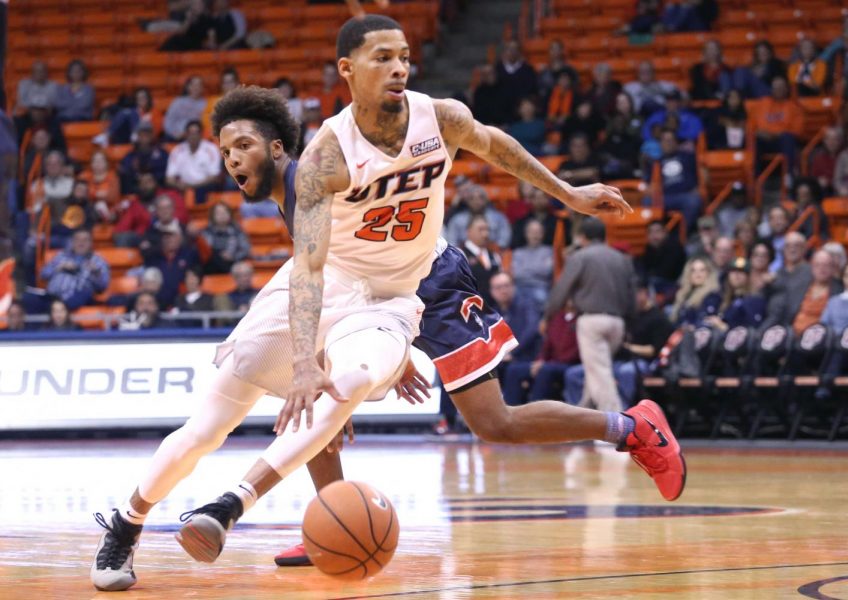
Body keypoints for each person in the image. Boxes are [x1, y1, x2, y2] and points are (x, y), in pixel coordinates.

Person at [90, 18, 681, 590]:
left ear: (276, 147)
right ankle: (329, 522)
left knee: (491, 422)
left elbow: (492, 143)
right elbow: (313, 279)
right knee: (312, 400)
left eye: (242, 148)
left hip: (428, 281)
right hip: (345, 289)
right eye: (226, 153)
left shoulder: (410, 128)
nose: (232, 162)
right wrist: (336, 359)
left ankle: (630, 427)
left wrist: (569, 194)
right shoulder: (314, 173)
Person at [545, 218, 635, 411]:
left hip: (592, 320)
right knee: (595, 371)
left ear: (583, 237)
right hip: (618, 322)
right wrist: (628, 323)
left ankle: (615, 424)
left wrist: (548, 316)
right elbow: (631, 295)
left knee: (600, 372)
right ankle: (585, 414)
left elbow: (562, 289)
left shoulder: (581, 256)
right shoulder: (622, 258)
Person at [612, 279, 674, 407]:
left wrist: (628, 347)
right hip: (623, 359)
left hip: (648, 363)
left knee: (626, 371)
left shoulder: (659, 318)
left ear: (644, 293)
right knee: (579, 373)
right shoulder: (629, 316)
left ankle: (621, 414)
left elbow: (653, 350)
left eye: (633, 294)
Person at [502, 303, 579, 406]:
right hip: (548, 363)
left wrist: (545, 364)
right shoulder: (558, 317)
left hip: (569, 364)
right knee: (514, 369)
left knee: (544, 370)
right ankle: (511, 410)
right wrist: (540, 360)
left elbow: (576, 352)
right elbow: (547, 345)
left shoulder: (581, 320)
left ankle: (534, 413)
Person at [36, 229, 110, 312]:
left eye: (85, 240)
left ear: (91, 243)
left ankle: (60, 309)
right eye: (77, 239)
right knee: (29, 299)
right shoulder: (61, 256)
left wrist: (95, 273)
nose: (81, 243)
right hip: (53, 297)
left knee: (85, 293)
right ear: (72, 242)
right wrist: (59, 267)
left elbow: (102, 287)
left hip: (77, 297)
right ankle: (57, 308)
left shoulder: (98, 261)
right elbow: (43, 274)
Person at [752, 76, 804, 175]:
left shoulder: (794, 107)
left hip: (783, 142)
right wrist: (759, 133)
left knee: (788, 138)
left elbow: (798, 131)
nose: (778, 90)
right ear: (771, 89)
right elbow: (751, 126)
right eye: (775, 88)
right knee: (754, 140)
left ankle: (789, 175)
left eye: (780, 87)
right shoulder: (762, 104)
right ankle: (755, 178)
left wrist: (776, 135)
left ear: (786, 89)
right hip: (764, 141)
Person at [653, 129, 703, 229]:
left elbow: (701, 174)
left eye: (670, 140)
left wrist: (698, 187)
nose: (667, 143)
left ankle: (682, 233)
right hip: (665, 197)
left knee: (694, 201)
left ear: (676, 142)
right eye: (664, 141)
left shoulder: (688, 157)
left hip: (686, 195)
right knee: (647, 201)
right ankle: (658, 233)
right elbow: (650, 183)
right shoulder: (656, 162)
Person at [165, 120, 222, 204]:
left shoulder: (211, 149)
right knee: (169, 192)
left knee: (204, 190)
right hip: (183, 188)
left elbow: (214, 176)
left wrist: (193, 186)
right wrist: (178, 185)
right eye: (190, 133)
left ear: (201, 134)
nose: (193, 136)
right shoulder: (177, 150)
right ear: (186, 134)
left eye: (196, 132)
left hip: (204, 186)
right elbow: (169, 178)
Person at [704, 257, 766, 331]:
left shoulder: (754, 299)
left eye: (741, 272)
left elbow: (753, 327)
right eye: (733, 271)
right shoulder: (721, 297)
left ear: (748, 277)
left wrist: (724, 327)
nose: (737, 275)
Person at [445, 185, 512, 249]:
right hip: (464, 256)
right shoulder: (457, 220)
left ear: (486, 200)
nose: (476, 201)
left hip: (493, 256)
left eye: (481, 197)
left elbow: (504, 241)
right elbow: (451, 243)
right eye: (472, 198)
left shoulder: (499, 218)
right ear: (467, 201)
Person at [634, 219, 686, 294]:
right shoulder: (649, 249)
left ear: (665, 233)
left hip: (673, 285)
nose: (654, 235)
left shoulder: (674, 248)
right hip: (656, 285)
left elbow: (665, 273)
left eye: (657, 231)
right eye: (650, 232)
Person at [460, 214, 502, 303]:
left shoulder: (495, 256)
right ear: (469, 231)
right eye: (480, 229)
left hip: (492, 306)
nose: (485, 234)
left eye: (487, 230)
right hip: (470, 305)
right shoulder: (460, 254)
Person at [511, 219, 553, 307]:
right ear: (526, 234)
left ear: (543, 234)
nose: (535, 235)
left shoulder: (549, 251)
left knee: (541, 298)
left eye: (538, 232)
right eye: (532, 232)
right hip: (520, 287)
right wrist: (536, 269)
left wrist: (526, 269)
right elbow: (517, 274)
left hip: (540, 287)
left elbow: (546, 271)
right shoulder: (518, 253)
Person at [118, 122, 169, 194]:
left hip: (157, 189)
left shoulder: (161, 153)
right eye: (142, 134)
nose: (144, 137)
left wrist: (151, 177)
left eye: (147, 133)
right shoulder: (131, 155)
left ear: (152, 135)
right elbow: (125, 170)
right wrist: (138, 177)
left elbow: (165, 172)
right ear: (138, 136)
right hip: (136, 190)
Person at [201, 202, 250, 274]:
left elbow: (245, 250)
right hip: (210, 265)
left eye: (225, 212)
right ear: (212, 216)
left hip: (232, 263)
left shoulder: (238, 231)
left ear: (230, 214)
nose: (222, 215)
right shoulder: (206, 232)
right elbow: (203, 251)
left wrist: (232, 256)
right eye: (219, 213)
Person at [671, 257, 721, 328]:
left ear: (709, 273)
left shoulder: (712, 295)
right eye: (693, 270)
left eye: (702, 270)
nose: (698, 274)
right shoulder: (683, 294)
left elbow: (707, 320)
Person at [79, 151, 120, 222]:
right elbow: (80, 194)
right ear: (91, 163)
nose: (98, 163)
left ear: (106, 163)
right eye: (95, 160)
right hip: (87, 209)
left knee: (101, 205)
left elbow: (112, 197)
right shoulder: (84, 176)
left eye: (101, 160)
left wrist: (91, 193)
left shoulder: (113, 177)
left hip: (109, 210)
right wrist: (97, 194)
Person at [163, 76, 207, 141]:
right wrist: (175, 134)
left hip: (197, 138)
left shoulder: (206, 104)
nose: (196, 87)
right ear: (188, 87)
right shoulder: (178, 102)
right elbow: (168, 121)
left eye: (199, 85)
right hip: (177, 137)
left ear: (202, 88)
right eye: (193, 84)